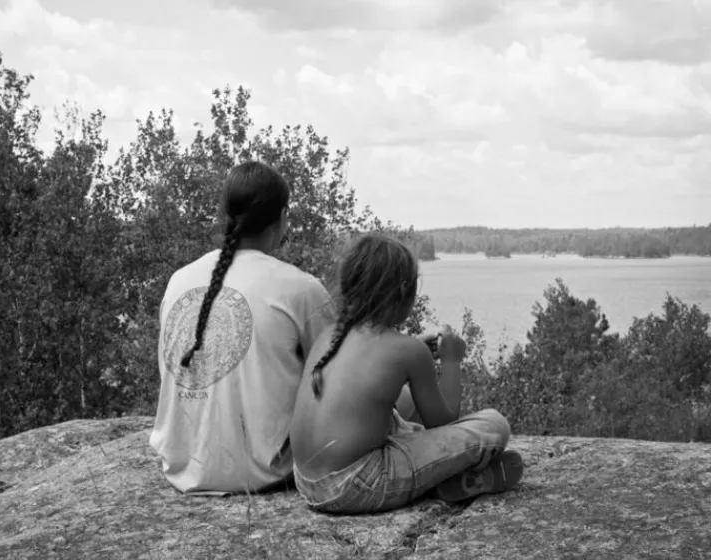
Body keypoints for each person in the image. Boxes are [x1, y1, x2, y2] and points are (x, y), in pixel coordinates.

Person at [289, 233, 523, 514]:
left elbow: (369, 379)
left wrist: (416, 354)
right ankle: (455, 477)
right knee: (494, 425)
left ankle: (438, 475)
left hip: (305, 480)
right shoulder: (408, 351)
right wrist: (450, 360)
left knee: (399, 400)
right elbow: (445, 420)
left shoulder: (329, 335)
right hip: (356, 487)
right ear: (404, 291)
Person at [149, 161, 335, 495]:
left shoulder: (179, 280)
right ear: (281, 217)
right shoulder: (301, 289)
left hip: (181, 466)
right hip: (266, 471)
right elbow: (334, 376)